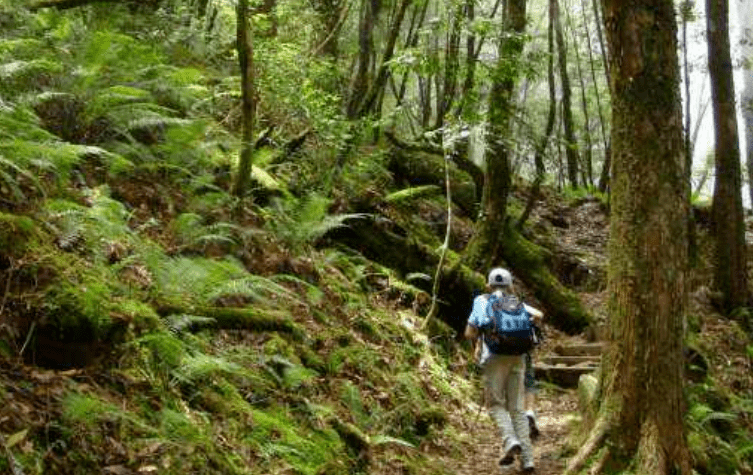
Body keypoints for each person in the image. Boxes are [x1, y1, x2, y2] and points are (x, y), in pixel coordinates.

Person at [465, 267, 535, 473]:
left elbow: (469, 332)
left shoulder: (482, 301)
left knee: (495, 404)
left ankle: (510, 440)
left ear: (488, 285)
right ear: (510, 285)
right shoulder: (516, 302)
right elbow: (538, 316)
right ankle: (528, 459)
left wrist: (477, 344)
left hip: (494, 358)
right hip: (518, 357)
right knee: (517, 408)